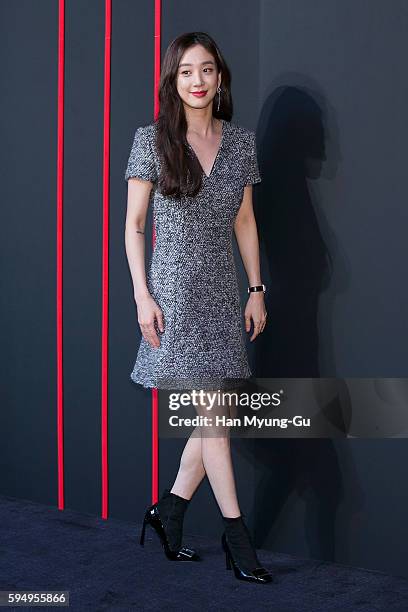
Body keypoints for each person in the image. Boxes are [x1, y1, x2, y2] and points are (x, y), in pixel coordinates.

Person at [124, 32, 272, 584]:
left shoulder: (239, 143)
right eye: (186, 71)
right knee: (217, 423)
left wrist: (257, 288)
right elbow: (134, 226)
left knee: (213, 421)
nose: (197, 80)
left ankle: (170, 512)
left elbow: (245, 221)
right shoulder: (150, 140)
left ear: (220, 78)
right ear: (173, 80)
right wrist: (142, 295)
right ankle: (238, 538)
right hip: (175, 297)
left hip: (222, 293)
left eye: (206, 70)